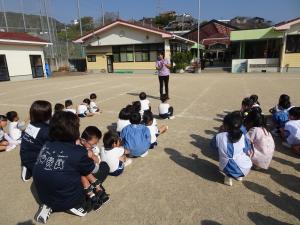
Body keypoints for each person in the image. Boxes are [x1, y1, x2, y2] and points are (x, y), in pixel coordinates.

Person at [33, 111, 110, 223]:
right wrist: (94, 159)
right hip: (66, 198)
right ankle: (73, 205)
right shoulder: (78, 152)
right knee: (103, 167)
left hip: (43, 195)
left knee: (68, 170)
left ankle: (48, 205)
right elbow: (94, 169)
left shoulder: (47, 144)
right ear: (74, 130)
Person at [216, 112, 252, 186]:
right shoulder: (242, 135)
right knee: (239, 157)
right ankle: (239, 176)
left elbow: (214, 146)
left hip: (228, 166)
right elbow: (247, 149)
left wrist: (219, 132)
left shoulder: (220, 136)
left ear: (225, 126)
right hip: (245, 167)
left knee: (226, 158)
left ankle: (228, 177)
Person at [20, 100, 52, 182]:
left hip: (25, 156)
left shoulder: (32, 124)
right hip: (37, 161)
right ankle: (33, 169)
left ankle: (28, 168)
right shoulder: (45, 130)